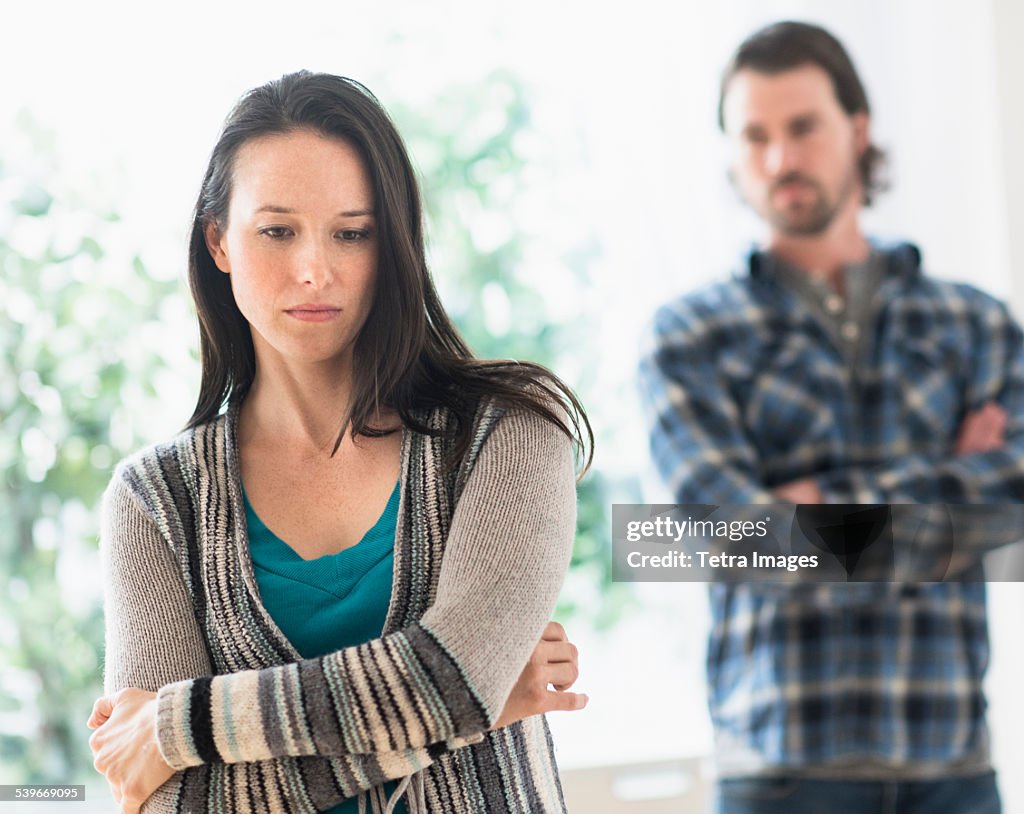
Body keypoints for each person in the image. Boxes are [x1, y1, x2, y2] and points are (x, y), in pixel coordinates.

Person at [86, 71, 591, 814]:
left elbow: (460, 679)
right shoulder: (156, 502)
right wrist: (454, 710)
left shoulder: (508, 432)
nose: (315, 269)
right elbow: (169, 802)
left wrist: (183, 722)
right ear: (219, 240)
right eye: (277, 230)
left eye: (352, 233)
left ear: (392, 246)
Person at [639, 21, 1024, 814]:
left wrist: (807, 509)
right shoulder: (688, 337)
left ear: (857, 128)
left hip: (952, 768)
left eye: (802, 127)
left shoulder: (975, 323)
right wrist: (949, 488)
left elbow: (1012, 501)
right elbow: (729, 538)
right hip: (779, 777)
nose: (781, 158)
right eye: (755, 136)